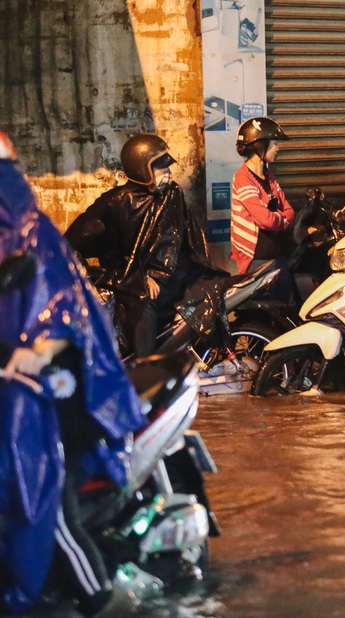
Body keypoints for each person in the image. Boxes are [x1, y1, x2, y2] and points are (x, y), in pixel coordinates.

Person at [0, 132, 145, 615]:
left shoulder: (33, 233)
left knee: (44, 502)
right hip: (12, 380)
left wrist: (39, 351)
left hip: (54, 385)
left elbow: (66, 306)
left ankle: (98, 598)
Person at [65, 133, 219, 357]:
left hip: (170, 276)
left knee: (210, 288)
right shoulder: (115, 202)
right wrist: (140, 276)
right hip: (128, 280)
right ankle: (145, 368)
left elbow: (174, 241)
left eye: (168, 167)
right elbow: (73, 239)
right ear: (141, 170)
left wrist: (156, 272)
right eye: (160, 168)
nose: (168, 172)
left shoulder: (172, 195)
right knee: (142, 302)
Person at [231, 117, 296, 276]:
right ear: (260, 146)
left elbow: (290, 211)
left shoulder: (269, 175)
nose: (277, 149)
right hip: (256, 260)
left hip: (277, 254)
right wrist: (282, 219)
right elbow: (265, 219)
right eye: (274, 144)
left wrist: (277, 217)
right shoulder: (243, 178)